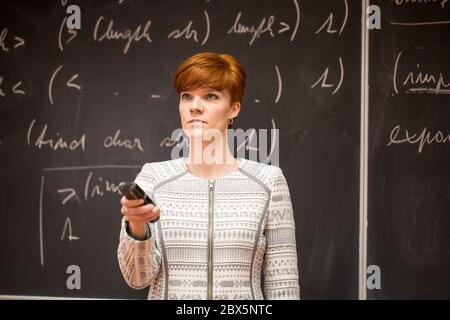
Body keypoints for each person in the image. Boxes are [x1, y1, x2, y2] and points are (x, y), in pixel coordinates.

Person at [117, 52, 300, 300]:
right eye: (186, 96)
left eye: (211, 96)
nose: (195, 106)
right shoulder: (153, 178)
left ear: (233, 108)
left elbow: (284, 288)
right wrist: (137, 228)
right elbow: (137, 279)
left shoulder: (268, 182)